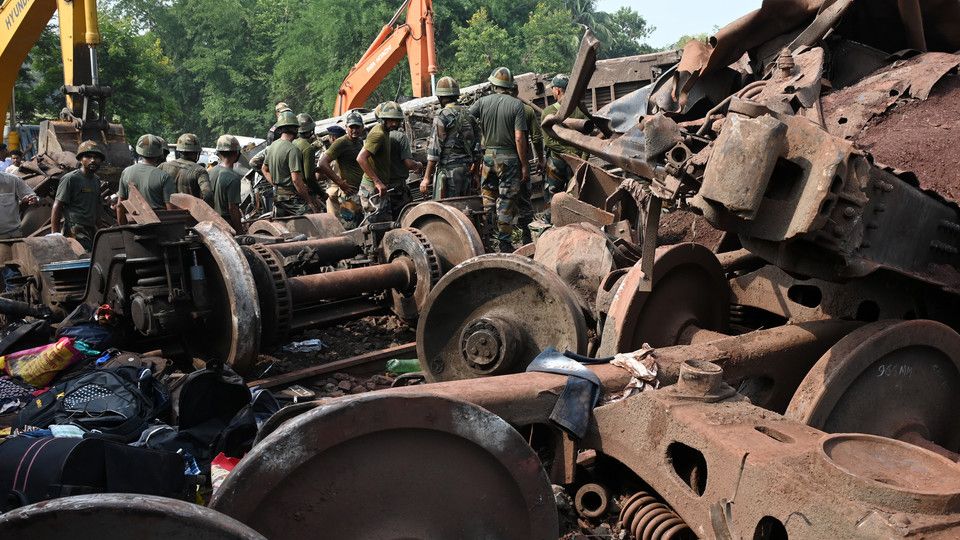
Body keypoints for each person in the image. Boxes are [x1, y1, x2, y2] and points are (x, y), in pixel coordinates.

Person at [469, 67, 529, 252]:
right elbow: (519, 137)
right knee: (506, 201)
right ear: (510, 86)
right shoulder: (516, 105)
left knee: (487, 198)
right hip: (509, 158)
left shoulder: (481, 103)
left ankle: (487, 239)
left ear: (493, 84)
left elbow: (467, 121)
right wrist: (524, 164)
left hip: (488, 157)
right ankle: (504, 242)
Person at [421, 76, 481, 200]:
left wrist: (426, 178)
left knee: (448, 209)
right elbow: (478, 148)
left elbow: (434, 150)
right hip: (467, 171)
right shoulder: (469, 114)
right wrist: (475, 175)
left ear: (440, 97)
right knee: (467, 207)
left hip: (449, 173)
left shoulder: (442, 116)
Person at [541, 74, 588, 222]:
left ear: (558, 90)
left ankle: (553, 227)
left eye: (553, 89)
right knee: (577, 197)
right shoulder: (581, 110)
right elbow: (589, 141)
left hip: (556, 162)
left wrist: (566, 154)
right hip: (578, 162)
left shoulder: (548, 112)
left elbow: (548, 142)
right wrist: (581, 159)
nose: (552, 92)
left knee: (553, 198)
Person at [263, 111, 322, 217]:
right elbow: (296, 180)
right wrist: (309, 201)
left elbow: (264, 169)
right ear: (295, 129)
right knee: (315, 216)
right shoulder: (292, 149)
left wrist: (276, 185)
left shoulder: (272, 146)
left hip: (278, 197)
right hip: (291, 199)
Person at [51, 140, 104, 251]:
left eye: (96, 157)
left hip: (91, 228)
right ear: (80, 159)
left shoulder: (96, 180)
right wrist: (55, 235)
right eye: (88, 157)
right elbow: (57, 205)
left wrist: (101, 229)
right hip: (75, 229)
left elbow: (97, 207)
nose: (93, 160)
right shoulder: (71, 179)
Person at [356, 101, 402, 222]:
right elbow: (361, 158)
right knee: (377, 227)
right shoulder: (379, 134)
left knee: (386, 223)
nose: (394, 123)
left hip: (380, 188)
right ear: (383, 119)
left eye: (397, 120)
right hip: (372, 189)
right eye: (391, 120)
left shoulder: (386, 132)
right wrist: (377, 182)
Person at [318, 112, 365, 226]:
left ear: (362, 127)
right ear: (346, 127)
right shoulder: (341, 142)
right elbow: (323, 163)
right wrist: (340, 183)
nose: (354, 130)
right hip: (348, 193)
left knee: (362, 224)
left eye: (357, 127)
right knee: (350, 226)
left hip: (360, 192)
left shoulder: (359, 142)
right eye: (351, 127)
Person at [116, 134, 176, 224]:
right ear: (160, 153)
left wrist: (123, 228)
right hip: (158, 227)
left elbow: (120, 206)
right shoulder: (164, 176)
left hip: (133, 225)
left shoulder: (126, 172)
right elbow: (170, 210)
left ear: (139, 151)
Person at [509, 84, 541, 243]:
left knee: (502, 201)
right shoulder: (527, 110)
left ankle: (505, 241)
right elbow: (536, 138)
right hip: (521, 162)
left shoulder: (495, 108)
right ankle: (527, 239)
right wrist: (540, 159)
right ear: (516, 92)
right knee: (524, 200)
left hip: (499, 162)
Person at [0, 167, 38, 290]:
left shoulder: (12, 181)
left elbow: (32, 196)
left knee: (12, 277)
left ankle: (13, 304)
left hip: (9, 239)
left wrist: (32, 199)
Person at [159, 133, 212, 205]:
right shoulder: (200, 171)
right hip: (190, 214)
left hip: (168, 213)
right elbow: (208, 195)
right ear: (196, 152)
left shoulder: (163, 166)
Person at [387, 126, 423, 219]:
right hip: (398, 188)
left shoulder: (375, 136)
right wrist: (419, 165)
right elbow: (409, 164)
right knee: (405, 217)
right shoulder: (400, 136)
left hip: (383, 188)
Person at [209, 135, 244, 232]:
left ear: (219, 152)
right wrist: (240, 232)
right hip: (226, 225)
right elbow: (232, 209)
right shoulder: (233, 178)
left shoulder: (209, 172)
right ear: (237, 153)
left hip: (210, 223)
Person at [293, 113, 325, 202]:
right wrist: (322, 194)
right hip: (305, 191)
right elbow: (309, 178)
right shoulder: (307, 148)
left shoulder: (292, 143)